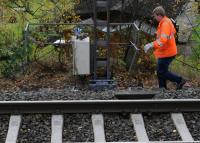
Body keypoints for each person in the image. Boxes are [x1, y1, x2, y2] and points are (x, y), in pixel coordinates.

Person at [144, 6, 186, 90]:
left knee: (161, 71)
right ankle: (162, 88)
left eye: (155, 16)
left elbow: (163, 40)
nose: (155, 18)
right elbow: (171, 33)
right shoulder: (165, 22)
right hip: (166, 51)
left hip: (168, 52)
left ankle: (180, 80)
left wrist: (151, 44)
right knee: (161, 71)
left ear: (159, 15)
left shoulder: (165, 24)